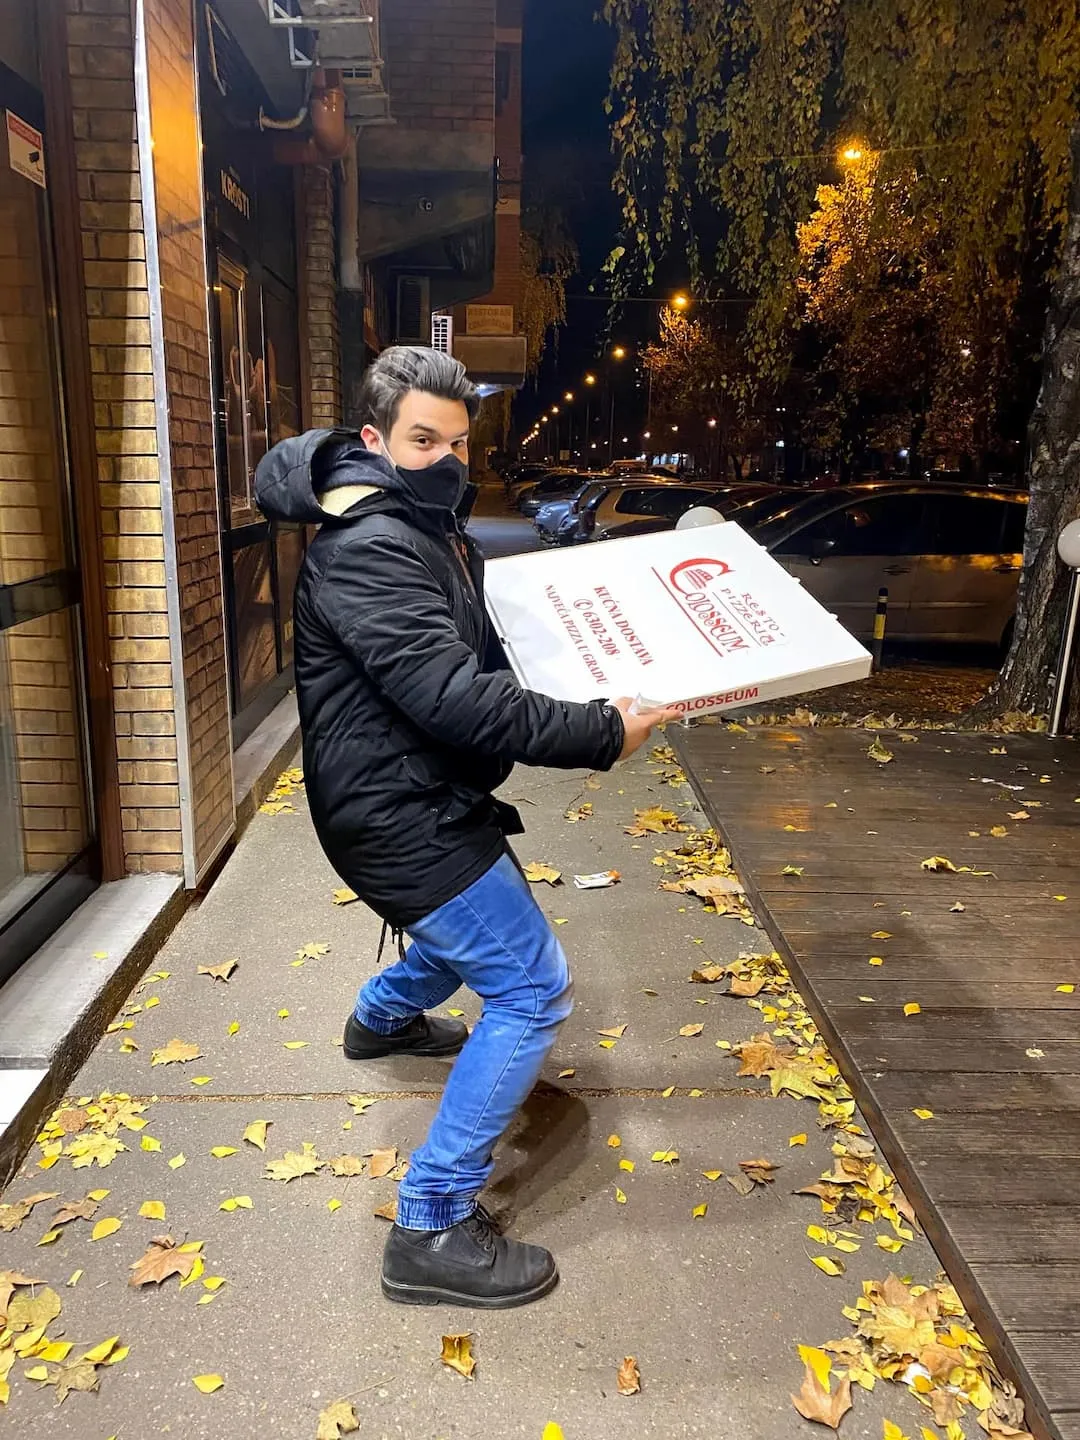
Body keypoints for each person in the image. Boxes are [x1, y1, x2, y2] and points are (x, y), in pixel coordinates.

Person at [254, 347, 678, 1309]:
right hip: (398, 813)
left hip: (414, 794)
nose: (446, 456)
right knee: (531, 987)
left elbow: (479, 648)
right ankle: (431, 1224)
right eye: (422, 439)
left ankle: (382, 1019)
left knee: (477, 931)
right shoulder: (369, 546)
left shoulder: (421, 521)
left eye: (457, 439)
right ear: (374, 439)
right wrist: (603, 731)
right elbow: (452, 696)